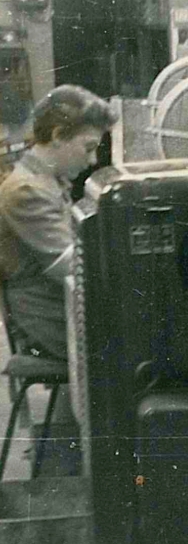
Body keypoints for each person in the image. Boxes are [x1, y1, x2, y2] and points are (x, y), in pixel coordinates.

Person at [0, 85, 116, 359]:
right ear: (57, 136)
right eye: (88, 148)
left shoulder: (46, 182)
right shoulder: (26, 191)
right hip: (47, 317)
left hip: (57, 307)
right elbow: (71, 267)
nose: (93, 160)